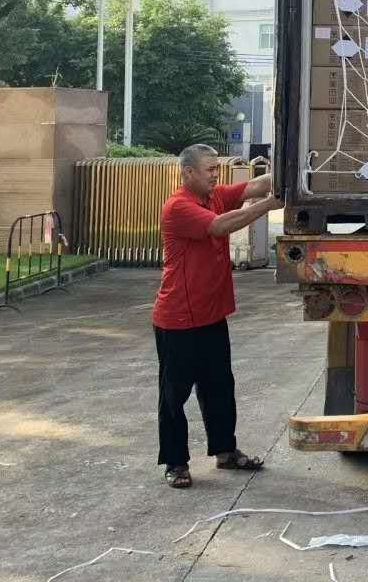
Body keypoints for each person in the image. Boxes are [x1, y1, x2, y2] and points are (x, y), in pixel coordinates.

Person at [153, 144, 281, 489]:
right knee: (174, 396)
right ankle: (176, 463)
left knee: (220, 387)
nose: (215, 175)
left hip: (211, 316)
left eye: (216, 169)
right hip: (179, 319)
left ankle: (225, 451)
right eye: (209, 170)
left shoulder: (215, 197)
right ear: (188, 172)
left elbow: (255, 185)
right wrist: (268, 205)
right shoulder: (179, 207)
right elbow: (220, 227)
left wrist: (290, 170)